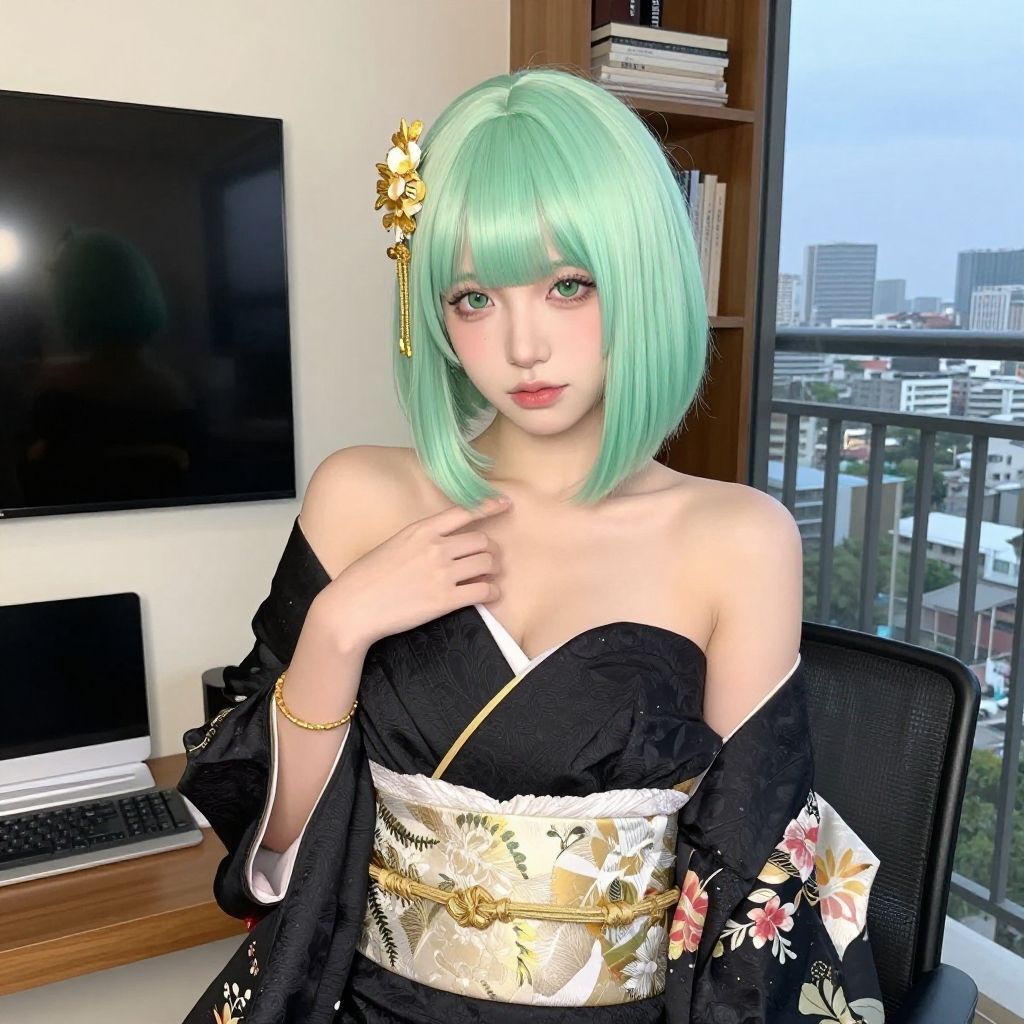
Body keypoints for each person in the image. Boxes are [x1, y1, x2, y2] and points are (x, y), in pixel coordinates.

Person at [178, 67, 884, 1024]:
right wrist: (337, 629)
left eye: (569, 285)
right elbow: (276, 842)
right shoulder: (363, 497)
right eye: (474, 298)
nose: (523, 347)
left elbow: (746, 881)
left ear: (643, 275)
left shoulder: (737, 539)